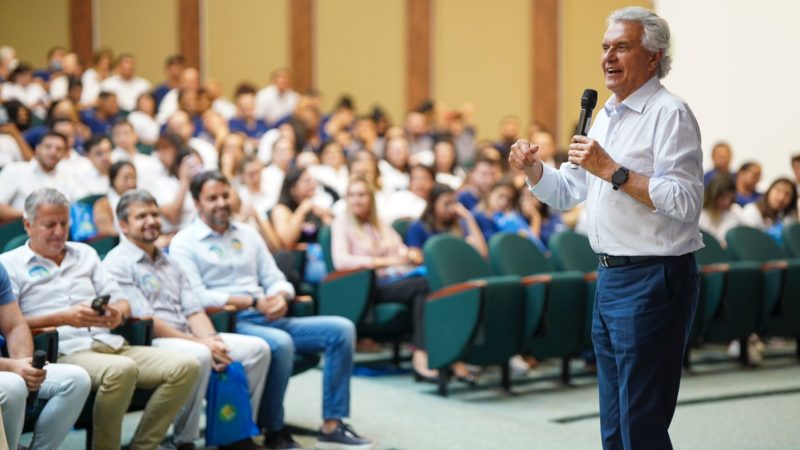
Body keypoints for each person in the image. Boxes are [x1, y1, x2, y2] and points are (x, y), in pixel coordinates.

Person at [510, 7, 702, 449]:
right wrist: (534, 170)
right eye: (605, 47)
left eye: (622, 47)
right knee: (615, 426)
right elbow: (568, 191)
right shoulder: (607, 115)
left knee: (642, 423)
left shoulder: (670, 114)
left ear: (653, 57)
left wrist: (614, 171)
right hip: (611, 277)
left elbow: (687, 201)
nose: (608, 57)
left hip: (655, 277)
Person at [169, 171, 374, 450]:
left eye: (225, 195)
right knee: (281, 344)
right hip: (229, 321)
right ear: (197, 202)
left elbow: (276, 277)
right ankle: (274, 429)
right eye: (212, 198)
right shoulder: (184, 241)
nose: (221, 203)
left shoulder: (248, 234)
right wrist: (252, 302)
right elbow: (197, 297)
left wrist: (280, 295)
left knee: (341, 330)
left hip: (270, 313)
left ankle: (332, 424)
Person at [0, 188, 200, 450]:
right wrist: (65, 318)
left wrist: (116, 312)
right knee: (121, 370)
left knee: (188, 365)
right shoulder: (10, 263)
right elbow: (13, 322)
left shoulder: (85, 254)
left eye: (64, 224)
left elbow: (122, 301)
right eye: (50, 225)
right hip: (66, 348)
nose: (59, 232)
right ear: (28, 224)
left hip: (111, 341)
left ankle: (142, 446)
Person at [104, 190, 272, 450]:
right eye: (141, 216)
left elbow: (194, 310)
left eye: (154, 214)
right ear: (124, 226)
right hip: (151, 342)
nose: (151, 221)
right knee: (200, 355)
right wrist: (202, 344)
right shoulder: (117, 263)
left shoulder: (169, 261)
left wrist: (213, 341)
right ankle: (184, 441)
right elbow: (148, 321)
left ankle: (235, 433)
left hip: (188, 335)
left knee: (257, 349)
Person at [330, 176, 432, 378]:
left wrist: (409, 254)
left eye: (362, 195)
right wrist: (380, 262)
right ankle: (421, 354)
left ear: (371, 198)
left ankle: (427, 352)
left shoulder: (379, 223)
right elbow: (341, 261)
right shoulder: (342, 222)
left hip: (391, 281)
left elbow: (400, 249)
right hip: (364, 288)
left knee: (427, 287)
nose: (357, 200)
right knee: (423, 285)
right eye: (352, 195)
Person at [0, 262, 91, 450]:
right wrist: (11, 367)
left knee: (76, 379)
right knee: (13, 386)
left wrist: (23, 365)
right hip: (5, 370)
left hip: (7, 366)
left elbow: (14, 326)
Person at [0, 131, 72, 222]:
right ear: (38, 148)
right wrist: (31, 215)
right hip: (20, 230)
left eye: (59, 149)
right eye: (48, 147)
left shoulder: (67, 176)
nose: (53, 152)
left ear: (64, 154)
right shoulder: (15, 170)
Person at [405, 183, 487, 258]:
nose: (451, 209)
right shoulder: (418, 227)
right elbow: (415, 256)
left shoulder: (458, 226)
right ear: (433, 205)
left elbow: (482, 253)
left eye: (454, 203)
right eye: (446, 204)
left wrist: (469, 217)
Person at [738, 178, 798, 244]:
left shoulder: (788, 217)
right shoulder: (751, 211)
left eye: (787, 195)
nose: (781, 197)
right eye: (778, 191)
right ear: (769, 190)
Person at [699, 174, 742, 245]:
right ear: (713, 195)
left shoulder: (735, 212)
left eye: (730, 197)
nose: (727, 202)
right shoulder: (700, 214)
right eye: (723, 197)